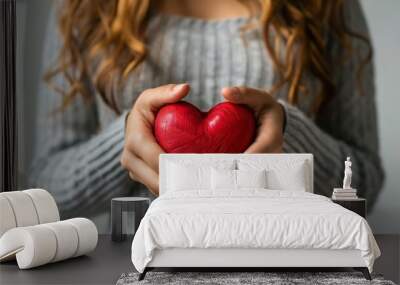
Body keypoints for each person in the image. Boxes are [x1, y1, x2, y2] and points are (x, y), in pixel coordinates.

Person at [30, 0, 384, 225]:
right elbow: (45, 189)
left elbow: (364, 181)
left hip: (286, 264)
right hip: (139, 265)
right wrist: (123, 143)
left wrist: (286, 133)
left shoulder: (327, 6)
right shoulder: (84, 8)